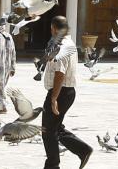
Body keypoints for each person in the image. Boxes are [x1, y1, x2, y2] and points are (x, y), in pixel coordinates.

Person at [41, 15, 92, 169]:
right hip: (66, 92)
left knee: (47, 131)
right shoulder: (69, 43)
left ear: (54, 28)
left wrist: (54, 98)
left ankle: (53, 166)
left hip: (60, 92)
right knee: (55, 128)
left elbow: (60, 73)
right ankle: (83, 150)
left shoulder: (62, 46)